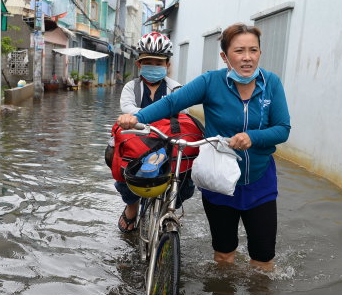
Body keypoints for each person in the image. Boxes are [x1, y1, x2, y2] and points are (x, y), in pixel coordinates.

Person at [117, 23, 291, 270]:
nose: (247, 57)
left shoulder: (271, 83)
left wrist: (253, 137)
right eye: (239, 50)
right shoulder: (211, 82)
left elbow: (283, 128)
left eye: (253, 50)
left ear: (260, 53)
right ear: (224, 56)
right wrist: (138, 118)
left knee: (263, 258)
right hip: (217, 179)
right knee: (223, 254)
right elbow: (172, 103)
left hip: (259, 181)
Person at [110, 32, 192, 232]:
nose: (153, 66)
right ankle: (132, 207)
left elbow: (184, 116)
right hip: (137, 141)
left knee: (187, 181)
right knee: (121, 170)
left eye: (158, 62)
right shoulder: (131, 87)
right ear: (139, 64)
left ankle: (170, 207)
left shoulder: (176, 88)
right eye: (148, 62)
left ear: (167, 65)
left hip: (167, 142)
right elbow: (127, 109)